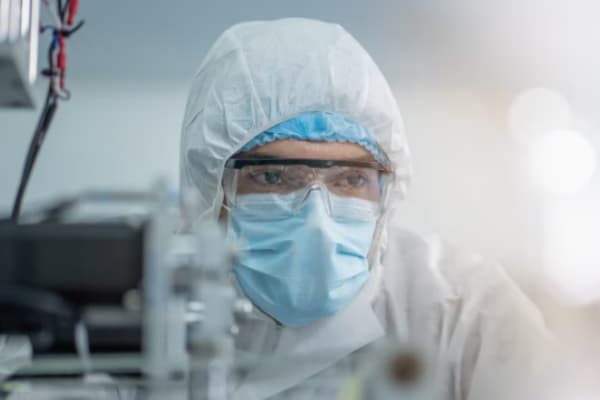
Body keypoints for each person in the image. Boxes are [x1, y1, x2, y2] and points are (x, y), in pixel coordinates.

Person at [180, 18, 554, 399]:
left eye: (350, 179)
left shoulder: (467, 318)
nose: (317, 223)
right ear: (213, 189)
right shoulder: (157, 314)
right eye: (274, 177)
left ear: (385, 196)